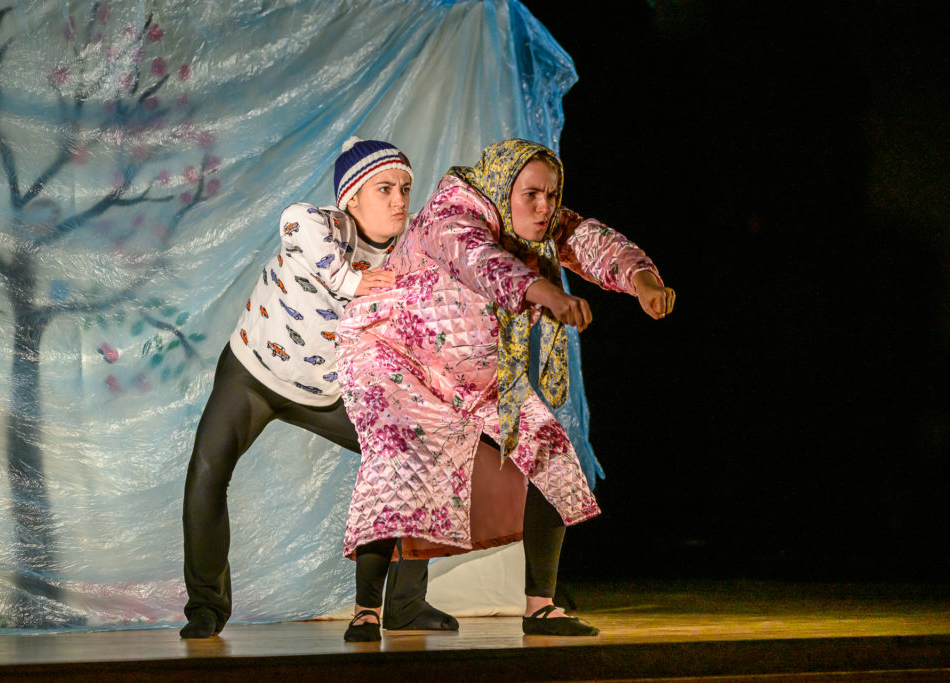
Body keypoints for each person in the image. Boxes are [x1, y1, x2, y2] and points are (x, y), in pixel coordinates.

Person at [336, 138, 676, 641]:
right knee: (398, 466)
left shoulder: (535, 219)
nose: (544, 209)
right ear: (501, 189)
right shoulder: (448, 217)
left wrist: (642, 279)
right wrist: (548, 294)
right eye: (532, 196)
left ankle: (540, 606)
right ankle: (366, 610)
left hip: (478, 374)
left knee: (551, 456)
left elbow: (590, 240)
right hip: (397, 359)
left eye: (552, 195)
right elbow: (480, 261)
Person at [180, 138, 458, 638]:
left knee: (419, 457)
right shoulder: (325, 225)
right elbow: (293, 219)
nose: (399, 200)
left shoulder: (408, 253)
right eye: (385, 188)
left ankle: (402, 603)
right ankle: (205, 607)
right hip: (254, 373)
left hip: (328, 390)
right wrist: (351, 282)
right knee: (205, 471)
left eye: (405, 189)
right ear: (351, 197)